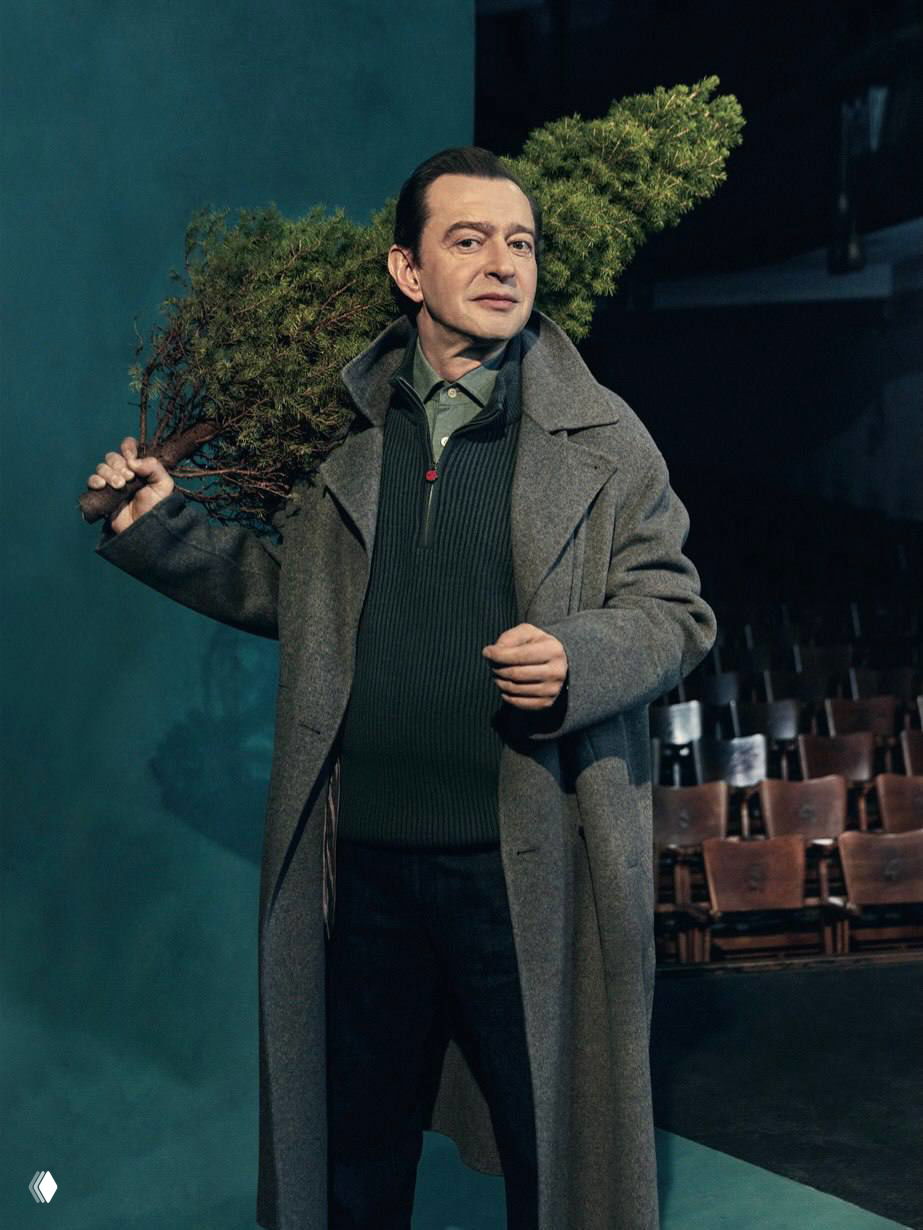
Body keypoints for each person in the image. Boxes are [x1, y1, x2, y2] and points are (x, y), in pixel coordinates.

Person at [88, 146, 717, 1230]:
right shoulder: (339, 431)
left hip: (522, 868)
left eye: (519, 243)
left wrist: (581, 657)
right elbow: (301, 599)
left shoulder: (604, 438)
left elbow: (675, 609)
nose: (502, 264)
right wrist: (164, 531)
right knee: (352, 1168)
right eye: (468, 240)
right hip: (364, 867)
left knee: (556, 1162)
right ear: (407, 270)